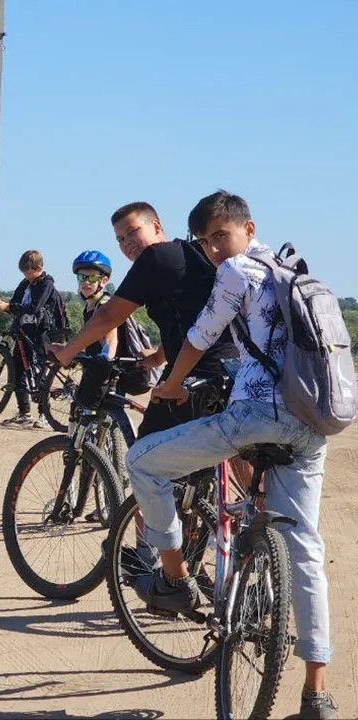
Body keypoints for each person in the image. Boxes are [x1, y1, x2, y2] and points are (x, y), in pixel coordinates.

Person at [131, 191, 336, 719]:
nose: (215, 249)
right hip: (311, 421)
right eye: (205, 241)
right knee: (305, 548)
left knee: (143, 462)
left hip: (256, 414)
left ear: (248, 227)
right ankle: (317, 694)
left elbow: (200, 337)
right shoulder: (291, 269)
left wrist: (171, 385)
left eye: (221, 235)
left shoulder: (237, 271)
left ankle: (174, 580)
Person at [49, 201, 237, 440]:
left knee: (144, 457)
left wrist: (67, 351)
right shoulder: (189, 252)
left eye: (132, 231)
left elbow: (109, 315)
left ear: (156, 226)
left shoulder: (154, 257)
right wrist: (159, 356)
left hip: (196, 371)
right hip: (233, 368)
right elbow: (189, 316)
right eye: (119, 239)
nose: (126, 243)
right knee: (234, 453)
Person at [71, 250, 135, 447]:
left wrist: (104, 362)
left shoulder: (104, 304)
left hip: (108, 372)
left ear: (104, 280)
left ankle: (82, 455)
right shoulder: (91, 305)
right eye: (82, 276)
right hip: (102, 369)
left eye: (91, 277)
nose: (85, 282)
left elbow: (111, 339)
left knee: (85, 412)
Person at [0, 250, 58, 428]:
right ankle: (23, 413)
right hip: (23, 331)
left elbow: (35, 307)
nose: (26, 275)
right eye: (24, 272)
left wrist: (9, 306)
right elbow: (14, 304)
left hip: (40, 332)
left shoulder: (46, 283)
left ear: (39, 268)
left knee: (39, 371)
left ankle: (44, 415)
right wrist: (2, 306)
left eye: (29, 272)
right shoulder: (25, 284)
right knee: (18, 370)